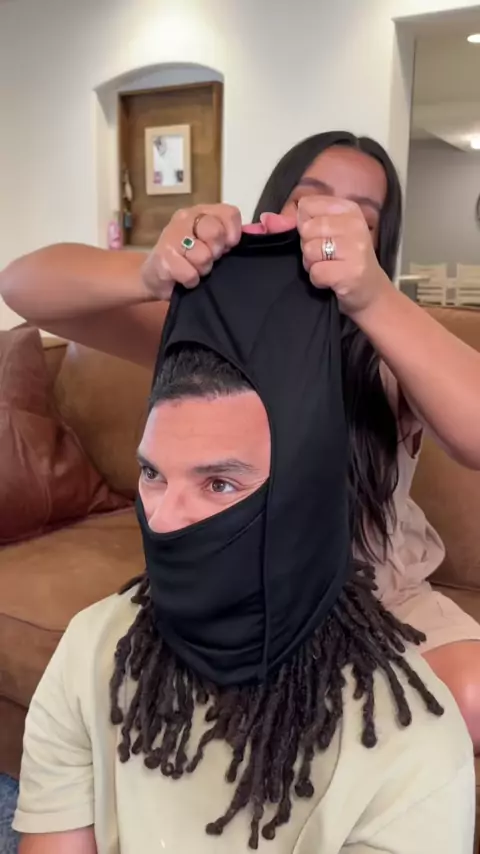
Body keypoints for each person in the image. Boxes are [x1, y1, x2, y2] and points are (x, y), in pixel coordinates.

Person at [2, 130, 480, 751]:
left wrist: (373, 298)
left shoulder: (390, 344)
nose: (328, 223)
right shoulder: (216, 320)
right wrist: (150, 270)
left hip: (377, 595)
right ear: (272, 211)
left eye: (360, 218)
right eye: (308, 201)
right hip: (239, 586)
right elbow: (23, 285)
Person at [13, 325, 475, 854]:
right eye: (152, 473)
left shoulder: (412, 747)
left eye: (219, 483)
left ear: (306, 500)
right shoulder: (91, 647)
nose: (162, 519)